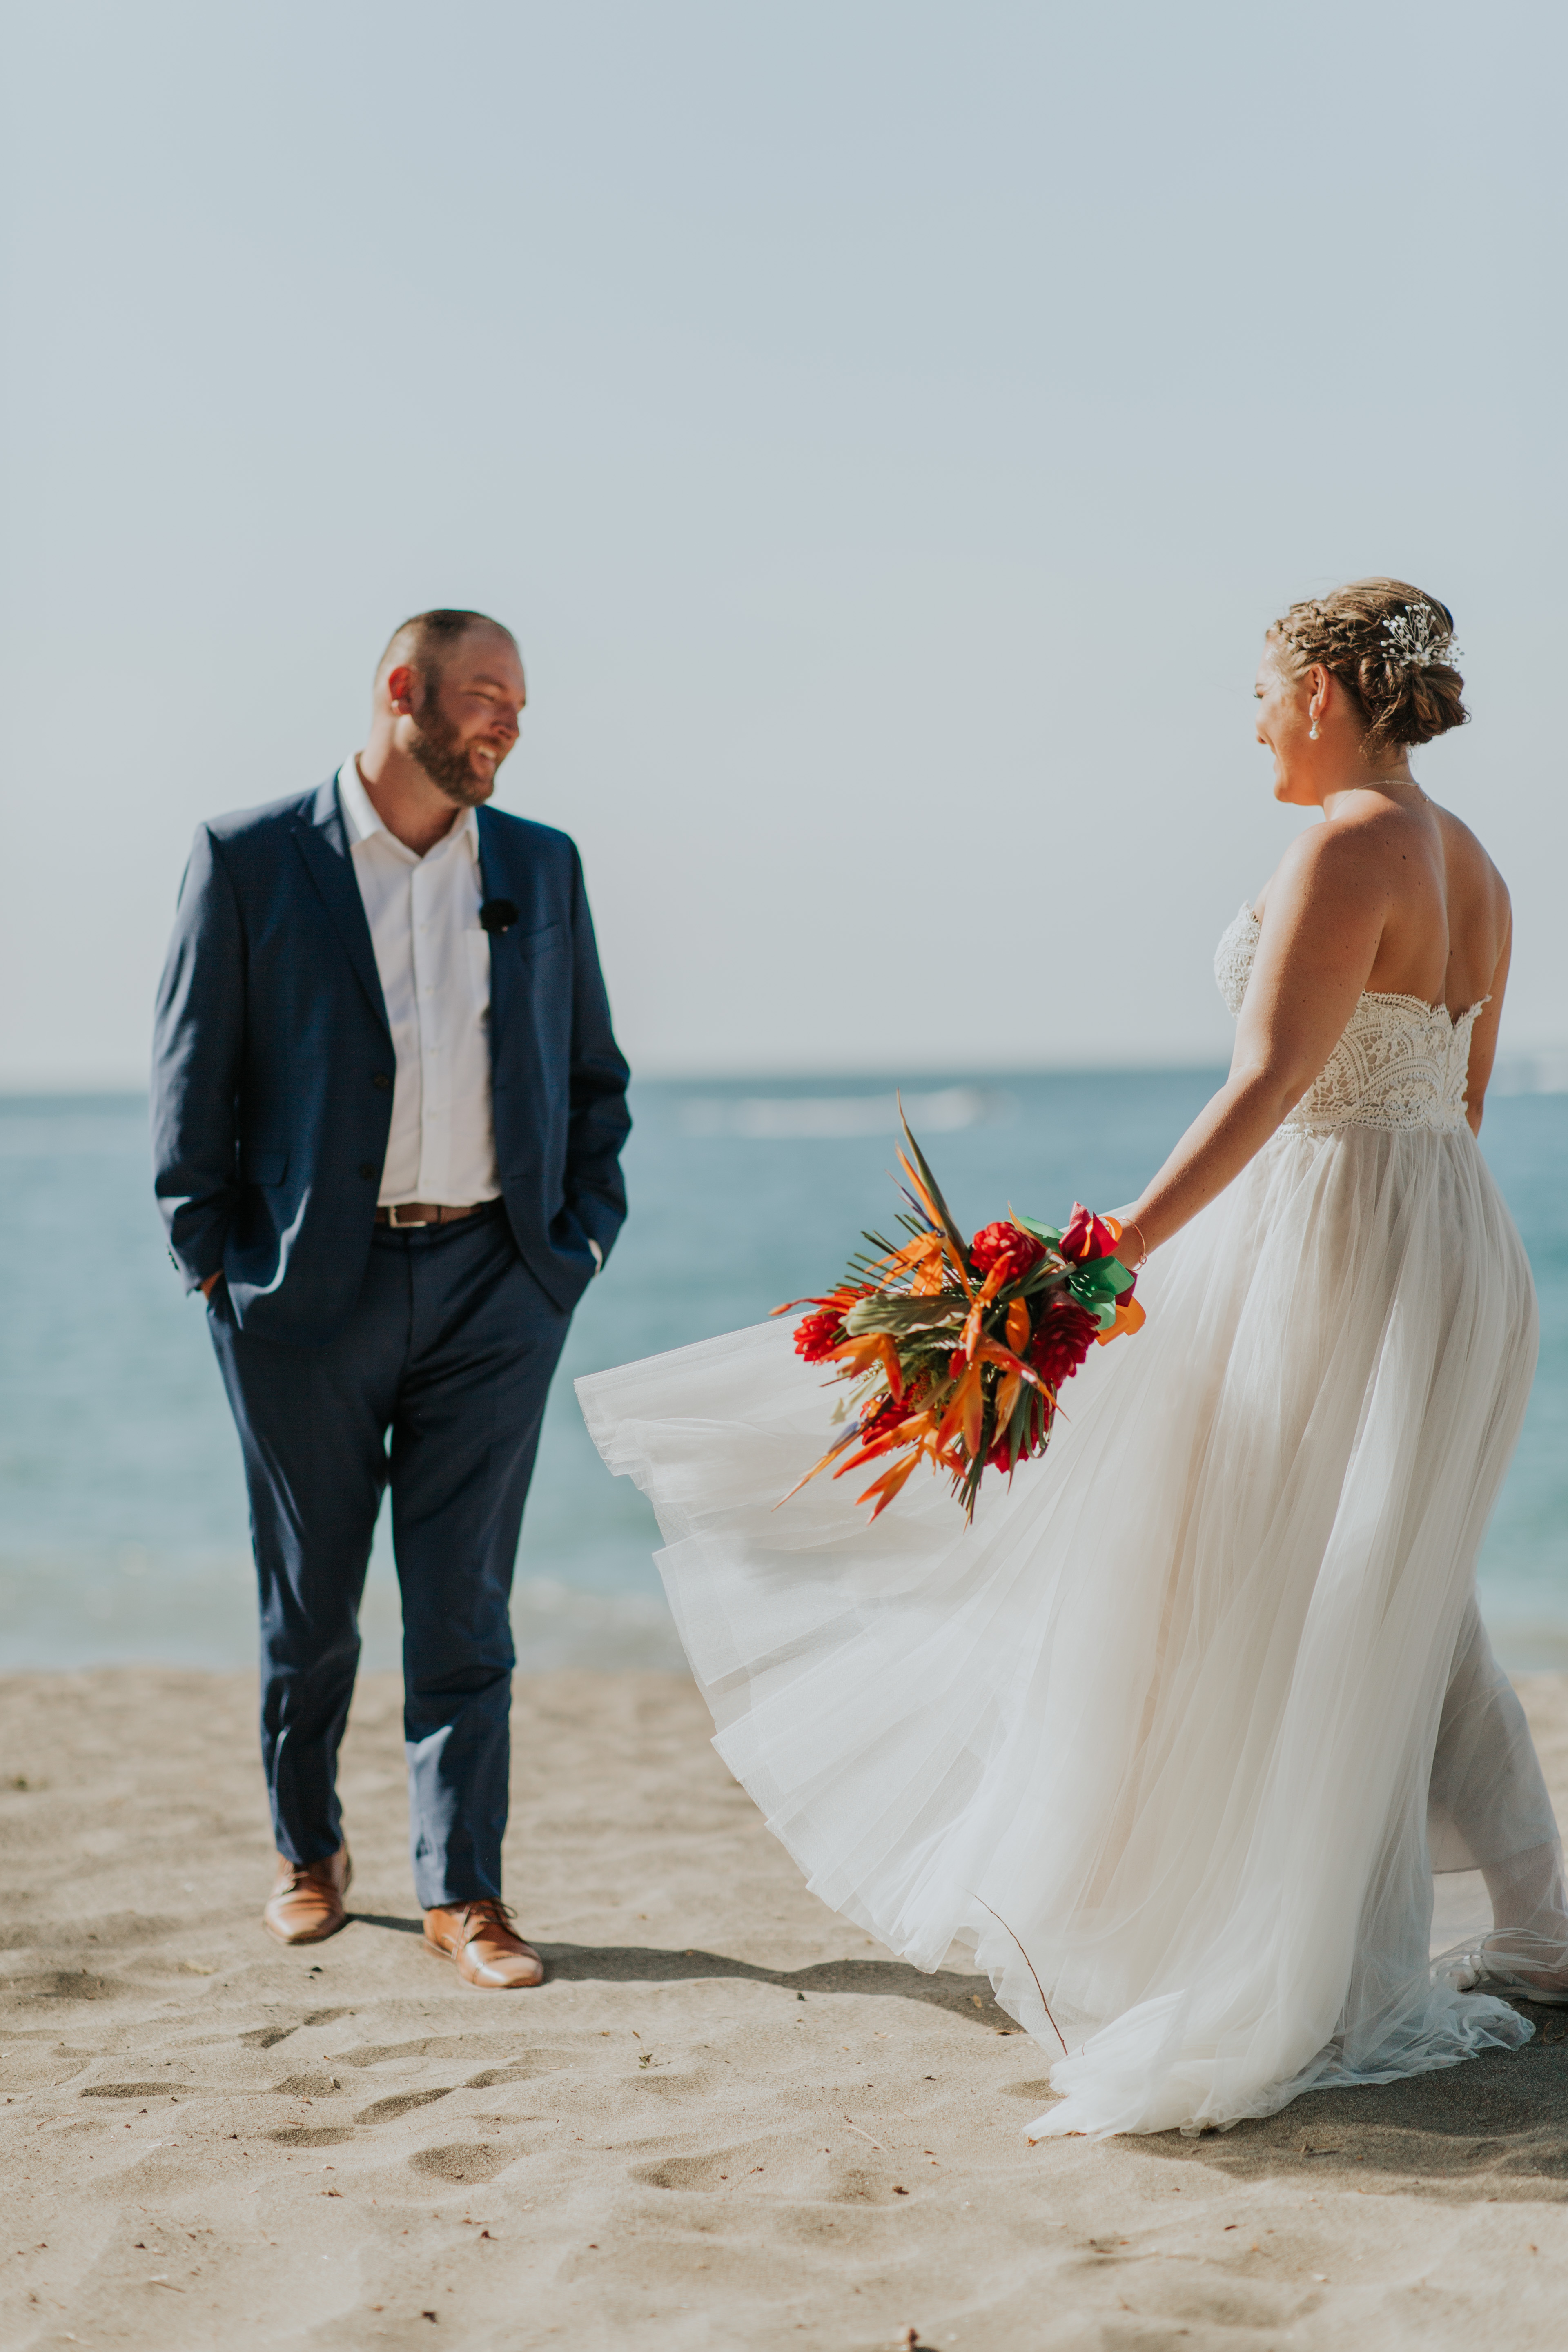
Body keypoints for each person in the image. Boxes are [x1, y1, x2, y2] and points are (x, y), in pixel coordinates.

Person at [577, 579, 1568, 2134]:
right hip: (1452, 1236)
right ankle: (1538, 1916)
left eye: (1260, 687)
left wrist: (1102, 1257)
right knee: (1400, 1579)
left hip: (1332, 1233)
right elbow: (1465, 1096)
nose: (1249, 720)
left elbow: (1266, 1088)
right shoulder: (1484, 864)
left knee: (1259, 1568)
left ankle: (1290, 1940)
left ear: (1322, 690)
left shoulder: (1338, 846)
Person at [153, 609, 630, 1987]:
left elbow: (594, 1076)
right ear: (401, 690)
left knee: (466, 1606)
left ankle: (464, 1893)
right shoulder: (249, 861)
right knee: (310, 1606)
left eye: (521, 708)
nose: (508, 726)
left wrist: (574, 1250)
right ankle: (309, 1853)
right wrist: (212, 1263)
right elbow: (194, 1083)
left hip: (498, 1282)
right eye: (487, 696)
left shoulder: (543, 866)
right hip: (305, 1293)